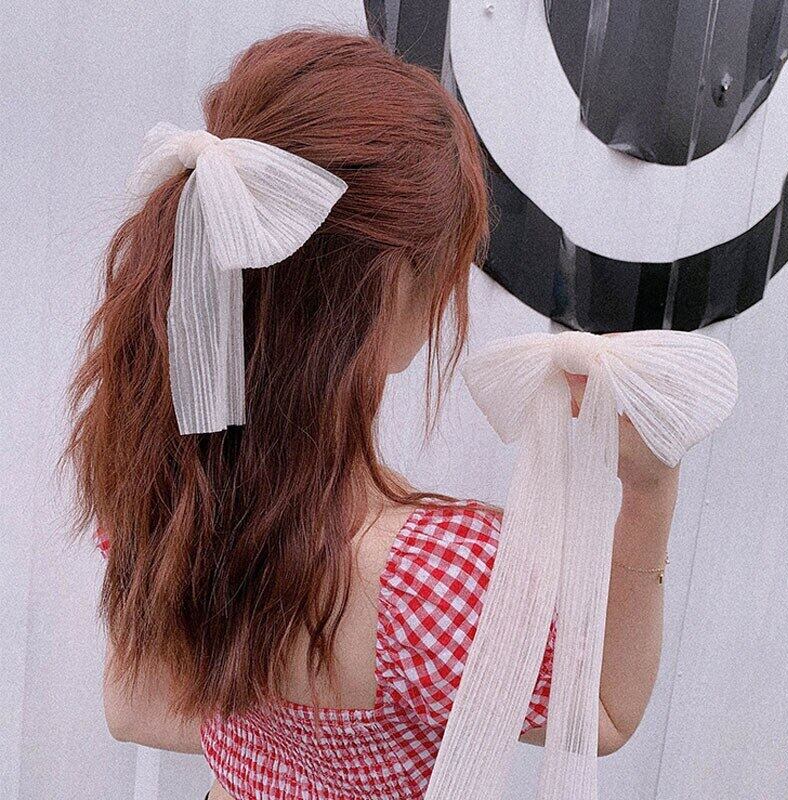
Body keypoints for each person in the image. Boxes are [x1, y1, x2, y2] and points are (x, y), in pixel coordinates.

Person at [66, 29, 679, 800]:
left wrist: (272, 740)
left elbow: (132, 707)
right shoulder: (426, 579)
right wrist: (650, 489)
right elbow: (604, 715)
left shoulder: (163, 479)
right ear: (392, 289)